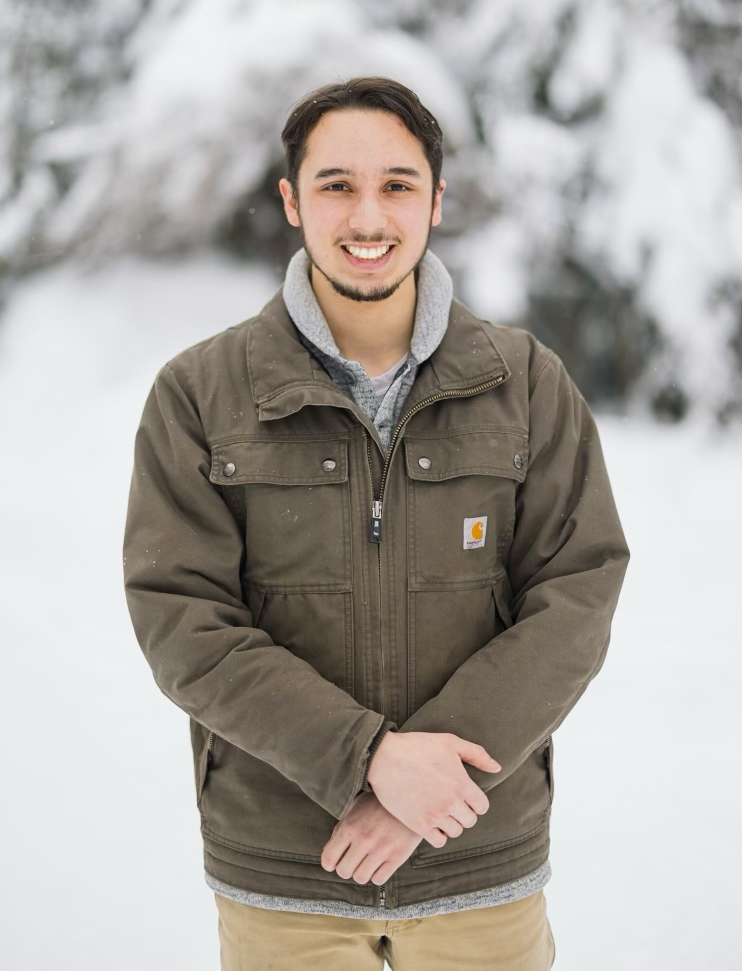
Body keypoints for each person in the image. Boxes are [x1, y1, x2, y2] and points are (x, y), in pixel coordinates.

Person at [122, 75, 630, 970]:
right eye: (336, 185)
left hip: (479, 867)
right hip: (287, 874)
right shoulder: (200, 394)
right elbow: (183, 622)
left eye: (397, 185)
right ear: (291, 200)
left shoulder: (526, 382)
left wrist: (425, 788)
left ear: (437, 202)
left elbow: (577, 594)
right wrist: (367, 759)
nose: (368, 217)